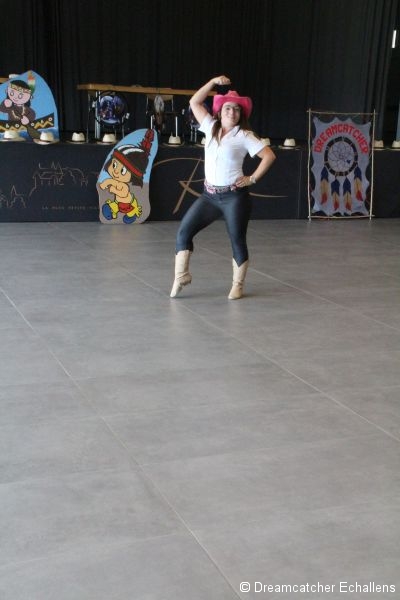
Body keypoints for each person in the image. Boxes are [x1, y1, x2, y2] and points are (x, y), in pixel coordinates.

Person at [170, 75, 276, 300]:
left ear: (241, 114)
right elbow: (194, 102)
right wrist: (212, 83)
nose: (232, 112)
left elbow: (269, 156)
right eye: (228, 108)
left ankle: (238, 284)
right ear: (219, 111)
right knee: (184, 232)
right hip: (209, 196)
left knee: (237, 239)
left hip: (234, 197)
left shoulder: (245, 136)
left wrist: (252, 179)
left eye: (237, 109)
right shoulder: (210, 126)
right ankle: (181, 276)